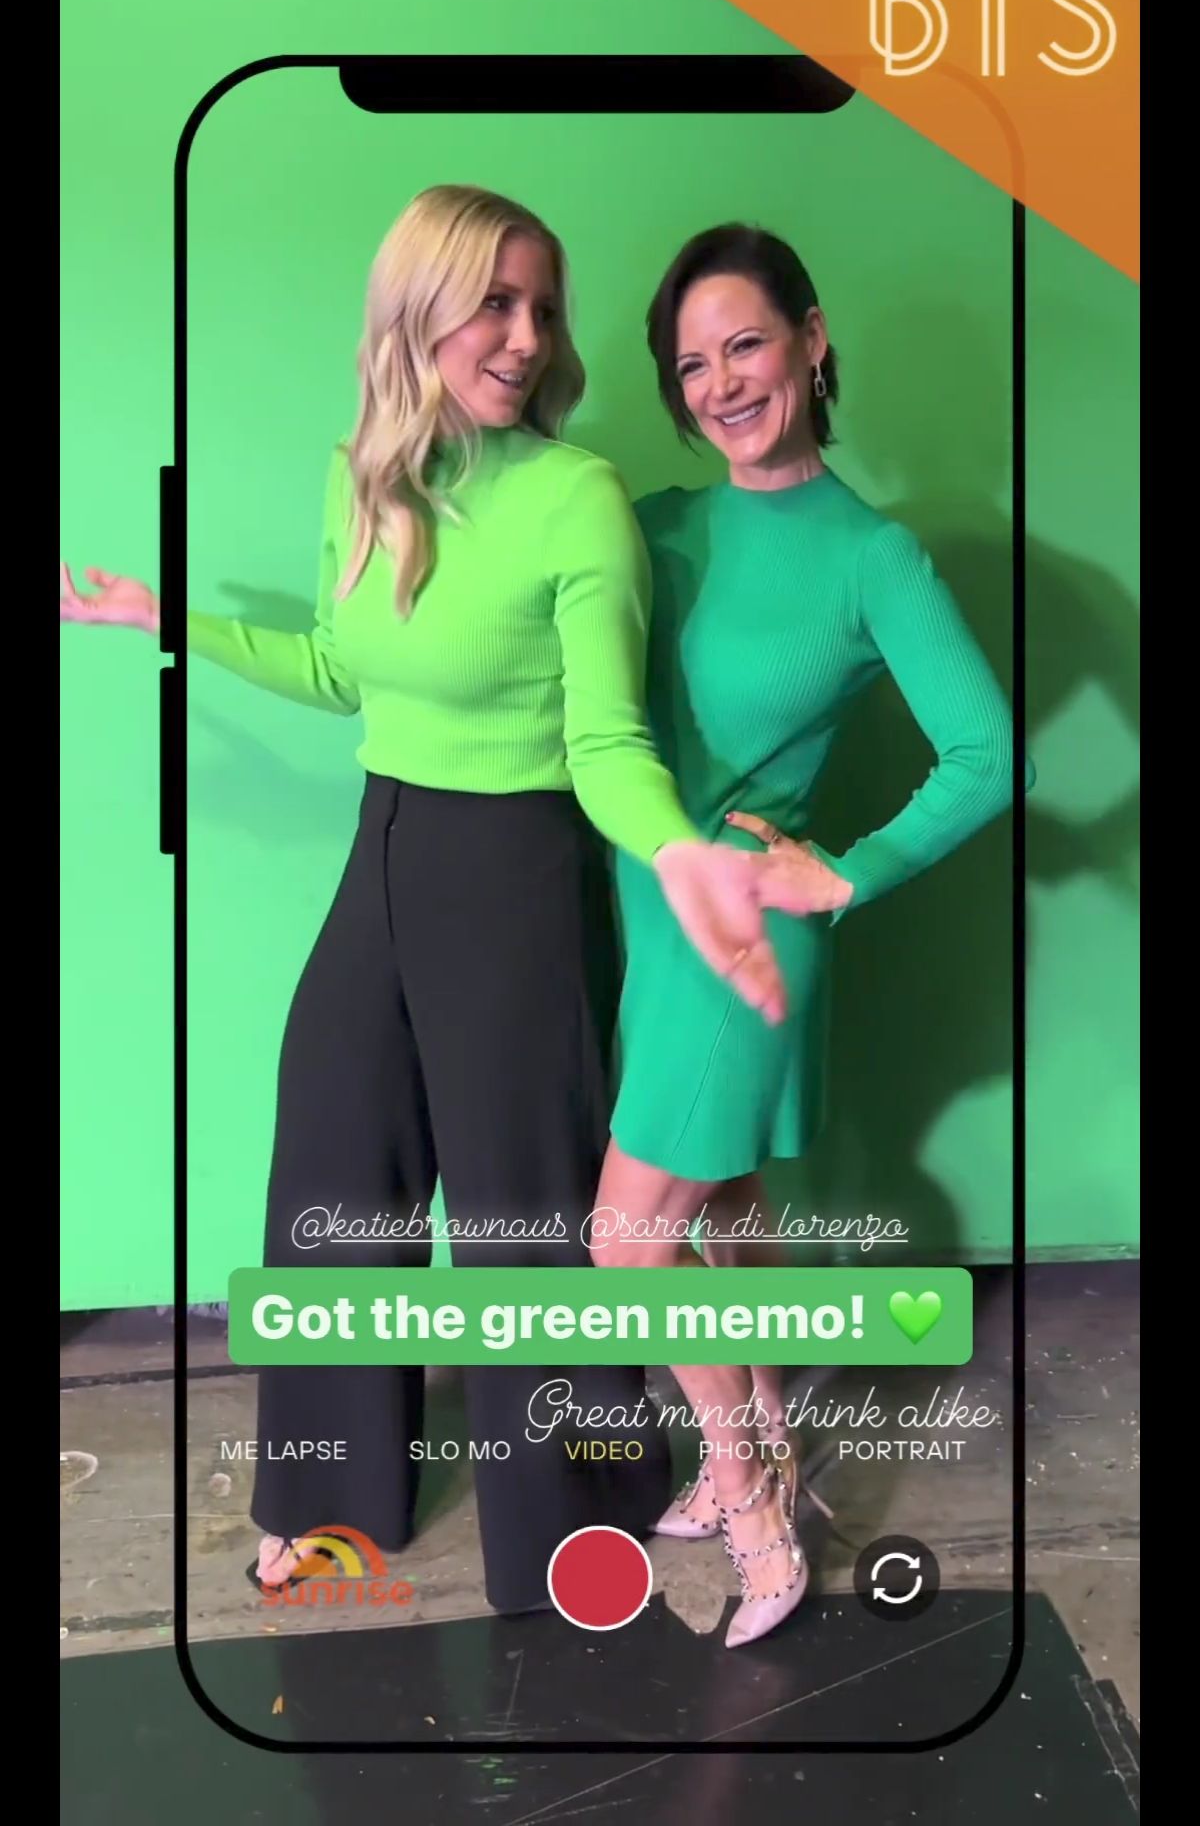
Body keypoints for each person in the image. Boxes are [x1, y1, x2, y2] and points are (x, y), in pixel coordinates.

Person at [59, 185, 839, 1617]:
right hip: (388, 842)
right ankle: (327, 1491)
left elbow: (605, 741)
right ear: (417, 312)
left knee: (520, 1214)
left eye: (542, 308)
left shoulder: (575, 496)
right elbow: (341, 667)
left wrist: (676, 853)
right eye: (495, 302)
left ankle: (578, 1513)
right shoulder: (364, 476)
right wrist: (165, 620)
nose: (527, 337)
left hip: (519, 870)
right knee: (331, 1166)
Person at [590, 222, 1031, 1646]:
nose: (721, 383)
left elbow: (990, 754)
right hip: (653, 919)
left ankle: (754, 1502)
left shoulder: (872, 555)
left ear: (812, 341)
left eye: (747, 345)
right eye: (692, 365)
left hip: (746, 941)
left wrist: (846, 875)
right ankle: (768, 1436)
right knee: (723, 1211)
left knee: (625, 1245)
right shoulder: (655, 522)